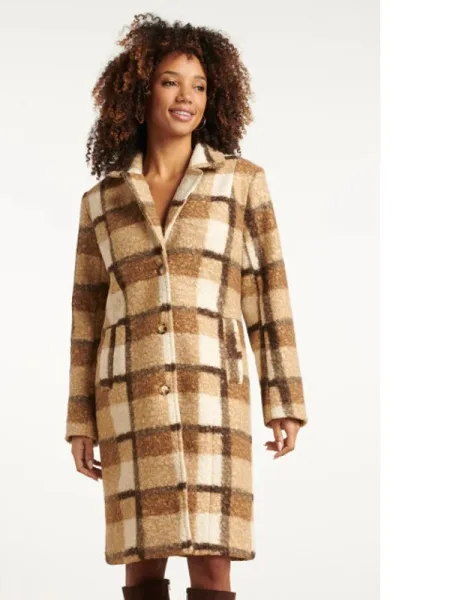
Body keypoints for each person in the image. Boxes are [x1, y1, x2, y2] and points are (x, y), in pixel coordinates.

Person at [65, 13, 308, 600]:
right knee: (141, 565)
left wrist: (284, 400)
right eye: (171, 81)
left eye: (198, 86)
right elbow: (86, 319)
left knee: (214, 564)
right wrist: (79, 420)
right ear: (140, 90)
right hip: (129, 399)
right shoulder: (102, 201)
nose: (186, 97)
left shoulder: (240, 182)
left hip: (213, 397)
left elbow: (268, 292)